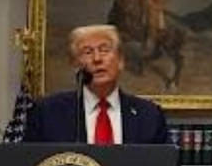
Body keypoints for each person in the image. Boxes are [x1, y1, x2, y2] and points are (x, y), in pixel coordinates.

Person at [23, 24, 168, 144]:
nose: (97, 59)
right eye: (87, 52)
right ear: (75, 64)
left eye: (105, 50)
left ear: (121, 61)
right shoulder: (47, 113)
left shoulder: (149, 115)